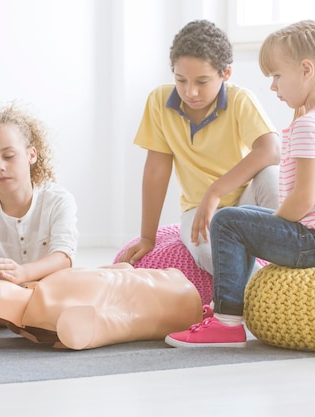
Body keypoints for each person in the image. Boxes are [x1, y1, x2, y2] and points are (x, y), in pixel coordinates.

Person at [166, 20, 315, 348]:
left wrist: (269, 226)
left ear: (306, 70)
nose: (273, 88)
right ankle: (228, 305)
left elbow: (303, 200)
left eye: (277, 77)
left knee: (227, 220)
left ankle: (226, 321)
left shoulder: (310, 126)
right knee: (245, 219)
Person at [118, 20, 280, 275]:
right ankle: (259, 291)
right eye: (181, 80)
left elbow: (271, 150)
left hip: (244, 202)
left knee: (271, 175)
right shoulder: (159, 102)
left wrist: (214, 192)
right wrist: (147, 238)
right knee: (209, 253)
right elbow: (155, 172)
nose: (190, 92)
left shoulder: (240, 100)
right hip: (198, 213)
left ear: (225, 73)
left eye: (202, 82)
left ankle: (285, 259)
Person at [0, 259, 204, 350]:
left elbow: (111, 273)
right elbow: (126, 320)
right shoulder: (59, 319)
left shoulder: (37, 298)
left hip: (173, 282)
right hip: (185, 300)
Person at [0, 104, 78, 285]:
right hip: (7, 298)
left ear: (31, 155)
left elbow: (64, 257)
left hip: (54, 293)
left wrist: (24, 273)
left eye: (8, 156)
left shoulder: (59, 201)